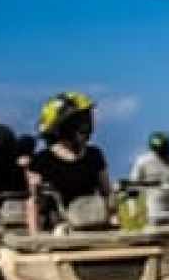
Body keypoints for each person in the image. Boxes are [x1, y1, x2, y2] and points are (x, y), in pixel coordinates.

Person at [27, 92, 111, 232]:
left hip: (94, 228)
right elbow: (33, 203)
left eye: (87, 120)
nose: (86, 127)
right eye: (80, 122)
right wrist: (35, 237)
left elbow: (107, 195)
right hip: (58, 233)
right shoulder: (41, 161)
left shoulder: (94, 155)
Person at [130, 131, 169, 224]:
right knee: (155, 231)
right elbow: (133, 186)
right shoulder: (143, 162)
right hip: (154, 211)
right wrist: (133, 207)